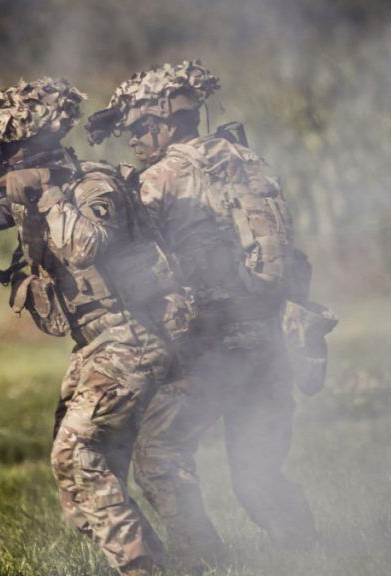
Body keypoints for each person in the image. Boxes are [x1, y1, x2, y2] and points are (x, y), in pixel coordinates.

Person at [0, 78, 191, 575]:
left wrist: (46, 192)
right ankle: (172, 561)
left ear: (31, 146)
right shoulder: (26, 189)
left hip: (134, 334)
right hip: (95, 344)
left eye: (7, 152)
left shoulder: (92, 182)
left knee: (78, 454)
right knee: (76, 479)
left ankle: (146, 567)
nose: (2, 161)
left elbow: (86, 246)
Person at [88, 60, 336, 569]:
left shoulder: (164, 175)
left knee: (158, 456)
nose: (133, 140)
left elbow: (113, 251)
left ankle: (206, 564)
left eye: (139, 127)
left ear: (166, 121)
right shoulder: (247, 159)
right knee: (255, 472)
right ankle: (313, 555)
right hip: (273, 337)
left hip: (215, 344)